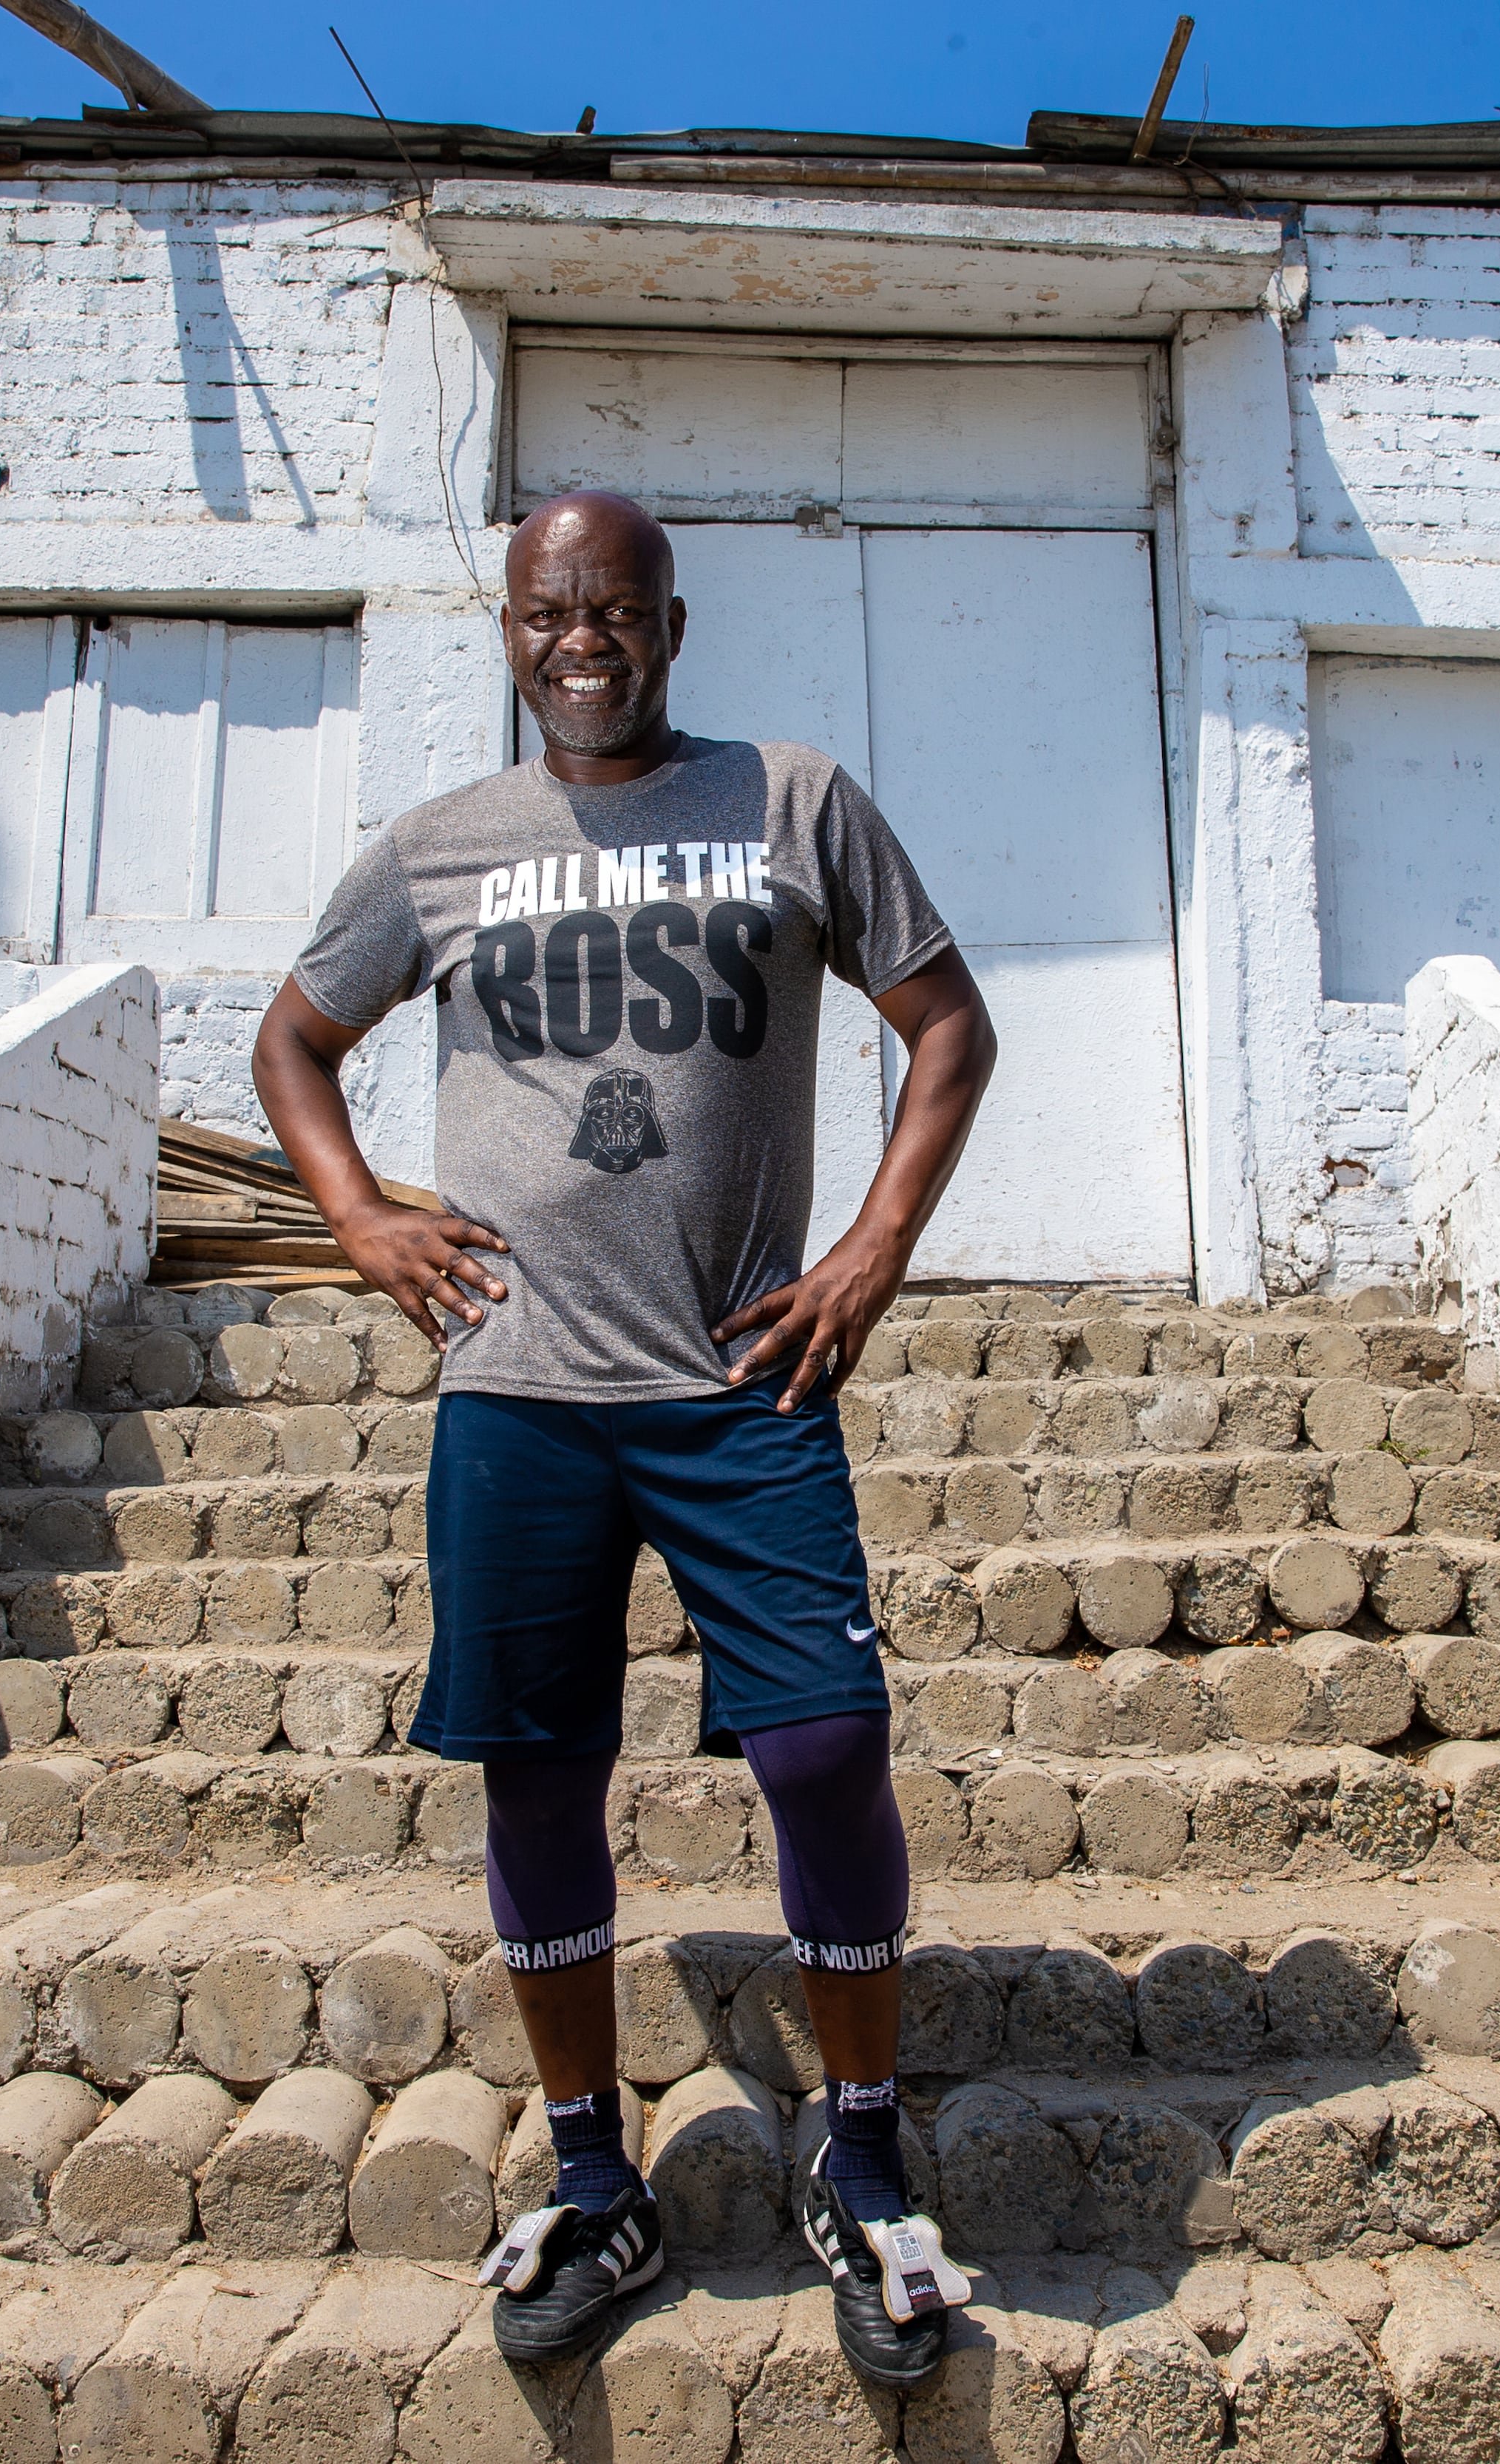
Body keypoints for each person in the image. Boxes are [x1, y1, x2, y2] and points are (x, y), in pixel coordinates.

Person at [253, 489, 1000, 2384]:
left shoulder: (793, 799)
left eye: (613, 612)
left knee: (827, 1745)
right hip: (517, 1387)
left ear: (670, 624)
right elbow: (293, 1042)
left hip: (739, 1378)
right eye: (544, 614)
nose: (578, 641)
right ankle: (597, 2178)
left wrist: (873, 1250)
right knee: (534, 1772)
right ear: (508, 628)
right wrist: (360, 1216)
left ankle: (863, 2151)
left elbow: (948, 1027)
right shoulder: (436, 850)